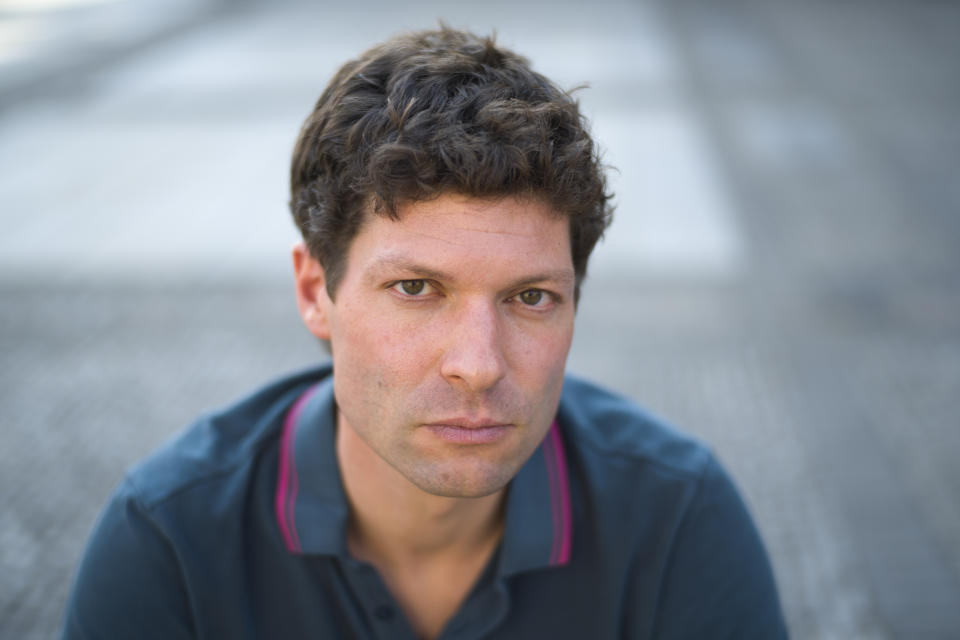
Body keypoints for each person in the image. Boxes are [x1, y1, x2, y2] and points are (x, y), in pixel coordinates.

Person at [62, 27, 787, 639]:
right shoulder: (170, 543)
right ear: (317, 292)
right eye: (415, 289)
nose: (478, 365)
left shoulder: (678, 522)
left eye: (531, 297)